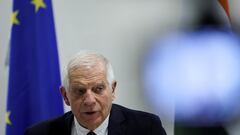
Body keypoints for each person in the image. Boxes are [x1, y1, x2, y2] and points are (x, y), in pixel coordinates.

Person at [24, 50, 167, 135]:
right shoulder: (38, 134)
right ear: (65, 95)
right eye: (80, 91)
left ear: (112, 89)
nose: (90, 100)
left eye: (98, 89)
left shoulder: (146, 128)